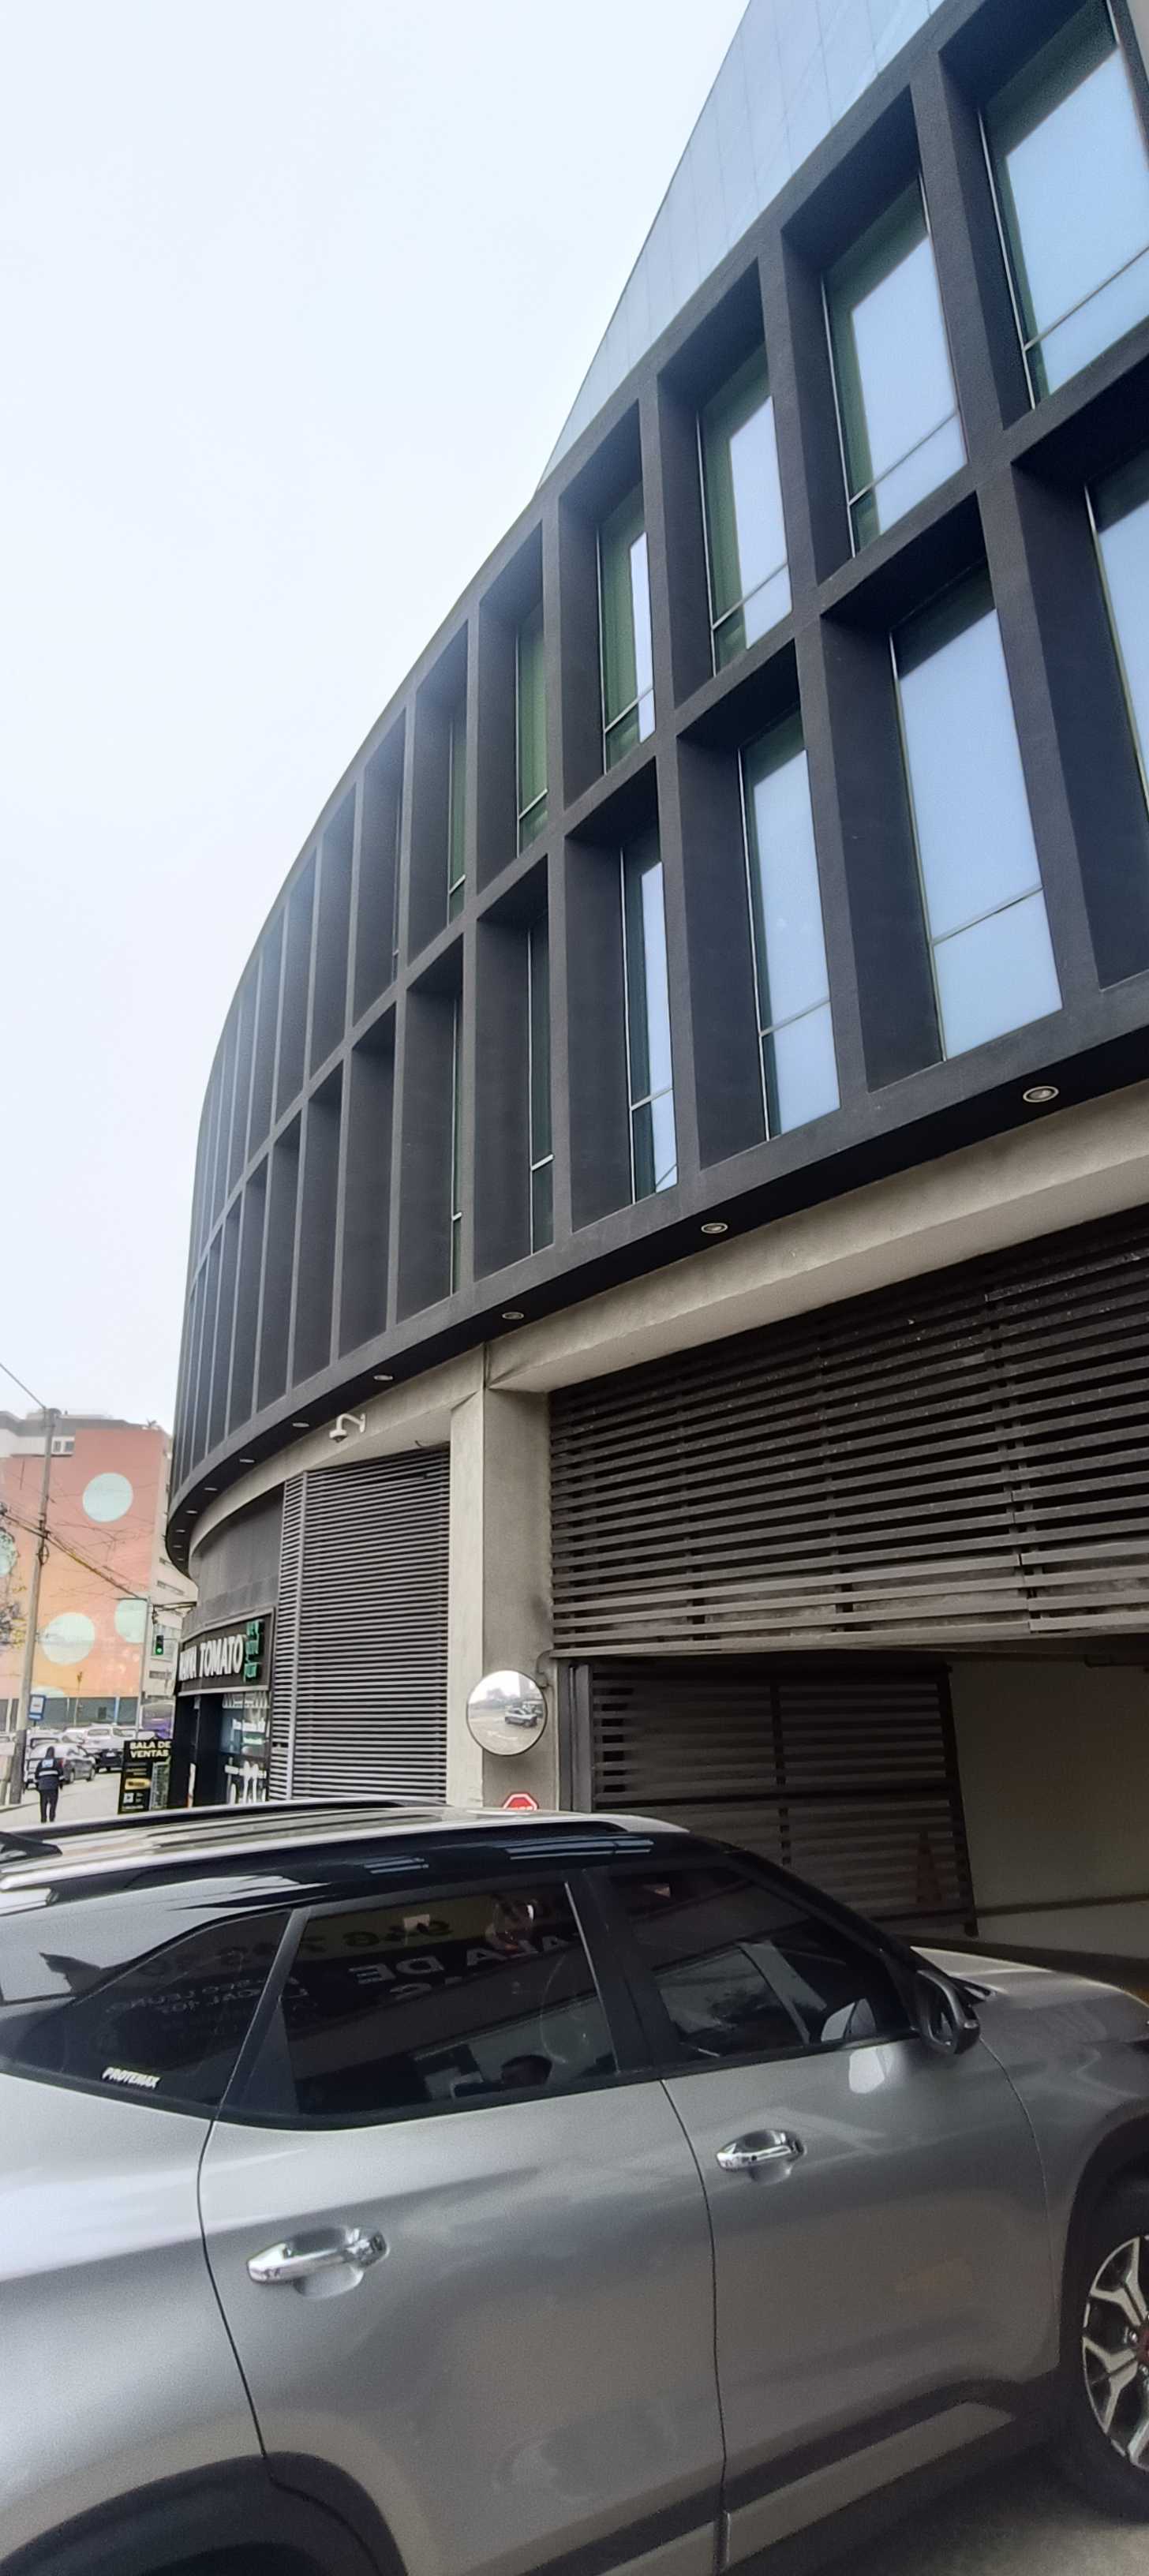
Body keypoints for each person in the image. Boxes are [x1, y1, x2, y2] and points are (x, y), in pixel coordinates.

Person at [34, 1746, 65, 1825]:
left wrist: (37, 1786)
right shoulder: (56, 1763)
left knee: (43, 1802)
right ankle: (52, 1817)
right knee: (53, 1802)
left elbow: (36, 1776)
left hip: (43, 1786)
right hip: (53, 1786)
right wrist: (61, 1785)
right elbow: (61, 1775)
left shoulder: (41, 1763)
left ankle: (43, 1818)